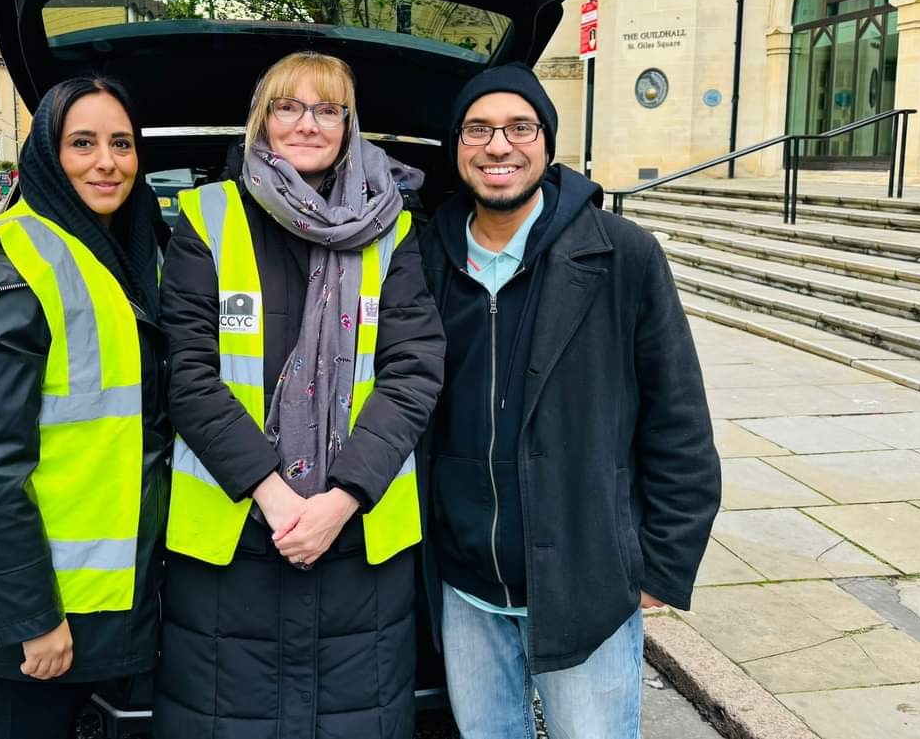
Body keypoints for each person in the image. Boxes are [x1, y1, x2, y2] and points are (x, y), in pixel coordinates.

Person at [418, 62, 721, 739]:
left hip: (587, 585)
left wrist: (659, 567)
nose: (499, 145)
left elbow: (679, 422)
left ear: (547, 143)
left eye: (519, 126)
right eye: (479, 129)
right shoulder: (426, 259)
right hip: (467, 589)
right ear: (457, 147)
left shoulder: (623, 255)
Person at [154, 51, 444, 739]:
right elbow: (189, 375)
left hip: (356, 542)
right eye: (288, 106)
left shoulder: (393, 225)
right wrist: (280, 500)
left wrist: (338, 502)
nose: (307, 122)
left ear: (348, 123)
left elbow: (413, 371)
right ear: (263, 119)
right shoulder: (208, 217)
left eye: (327, 108)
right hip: (237, 544)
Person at [0, 76, 171, 739]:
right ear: (46, 152)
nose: (108, 161)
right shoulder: (13, 262)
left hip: (123, 592)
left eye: (122, 143)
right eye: (83, 143)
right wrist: (30, 618)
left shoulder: (134, 249)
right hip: (48, 607)